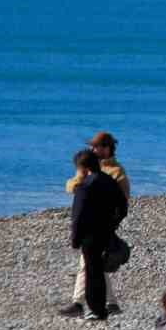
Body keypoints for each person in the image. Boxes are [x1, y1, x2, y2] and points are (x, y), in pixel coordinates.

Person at [60, 132, 131, 318]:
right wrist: (80, 182)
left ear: (107, 148)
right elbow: (70, 185)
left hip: (101, 226)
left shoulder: (117, 172)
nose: (93, 149)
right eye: (92, 146)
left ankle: (79, 303)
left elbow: (122, 201)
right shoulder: (87, 167)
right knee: (94, 264)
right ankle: (111, 303)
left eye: (96, 146)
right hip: (91, 223)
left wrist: (112, 223)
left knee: (89, 264)